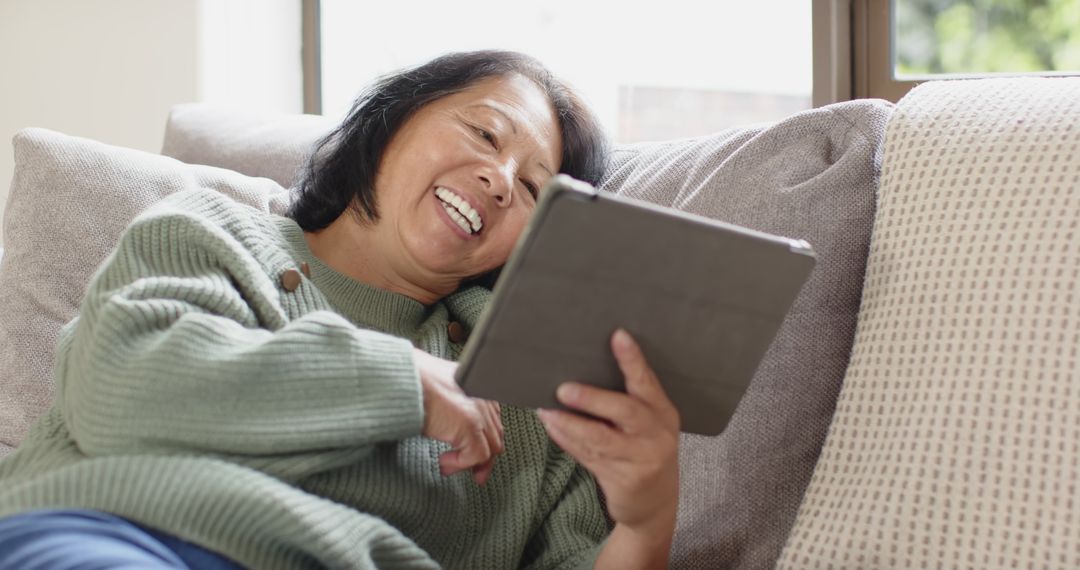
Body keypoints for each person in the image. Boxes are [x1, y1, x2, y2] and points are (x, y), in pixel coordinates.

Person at [0, 50, 680, 569]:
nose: (500, 182)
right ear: (393, 122)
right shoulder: (213, 236)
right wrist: (402, 380)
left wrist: (647, 520)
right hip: (116, 535)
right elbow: (118, 394)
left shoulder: (523, 384)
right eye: (482, 134)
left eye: (534, 188)